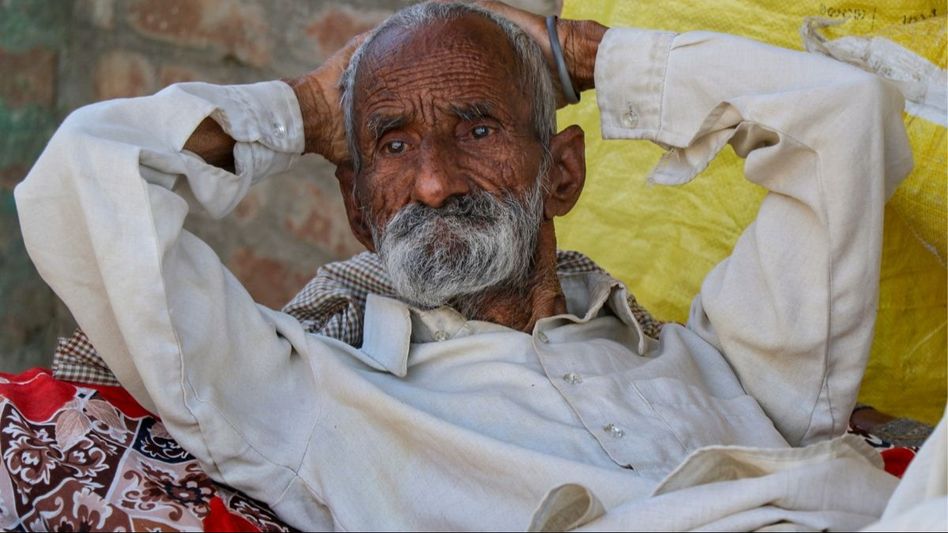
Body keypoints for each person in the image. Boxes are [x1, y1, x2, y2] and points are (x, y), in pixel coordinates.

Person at [14, 1, 944, 530]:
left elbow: (844, 121)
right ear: (352, 205)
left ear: (563, 172)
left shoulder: (725, 361)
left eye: (479, 128)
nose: (429, 181)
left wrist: (589, 58)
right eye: (388, 143)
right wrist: (297, 110)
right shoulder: (307, 397)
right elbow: (82, 179)